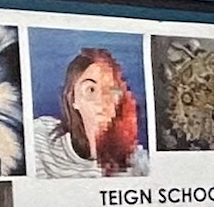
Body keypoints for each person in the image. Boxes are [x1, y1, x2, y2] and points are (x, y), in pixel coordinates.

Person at [28, 48, 143, 179]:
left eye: (111, 90)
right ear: (73, 99)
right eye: (91, 90)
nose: (101, 99)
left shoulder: (134, 160)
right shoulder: (40, 137)